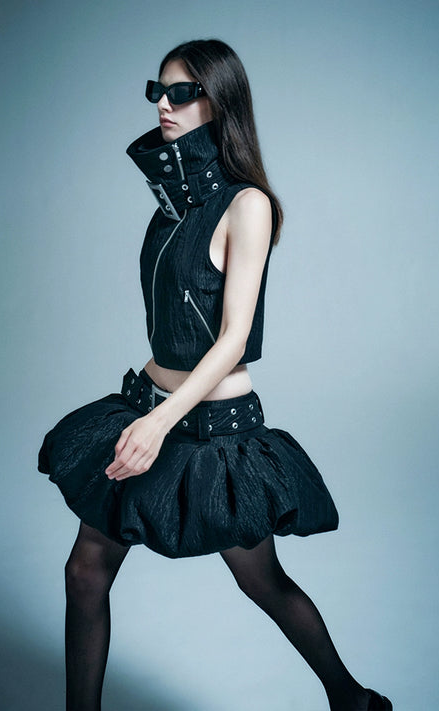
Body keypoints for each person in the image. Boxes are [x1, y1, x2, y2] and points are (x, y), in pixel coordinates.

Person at [38, 39, 392, 711]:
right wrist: (148, 415)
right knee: (84, 573)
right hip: (146, 406)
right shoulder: (171, 206)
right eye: (158, 91)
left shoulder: (246, 203)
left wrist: (159, 423)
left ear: (219, 101)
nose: (164, 106)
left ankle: (352, 699)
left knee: (261, 581)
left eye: (183, 93)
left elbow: (233, 339)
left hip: (209, 431)